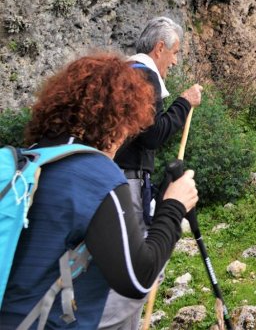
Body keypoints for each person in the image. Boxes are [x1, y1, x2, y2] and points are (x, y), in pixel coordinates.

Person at [0, 54, 198, 330]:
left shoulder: (25, 161)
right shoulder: (96, 175)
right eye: (128, 126)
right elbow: (138, 278)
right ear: (116, 120)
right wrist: (174, 206)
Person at [100, 17, 202, 330]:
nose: (174, 60)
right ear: (160, 48)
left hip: (111, 175)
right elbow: (153, 133)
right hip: (126, 179)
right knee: (137, 259)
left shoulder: (123, 72)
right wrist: (184, 103)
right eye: (175, 52)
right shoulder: (144, 75)